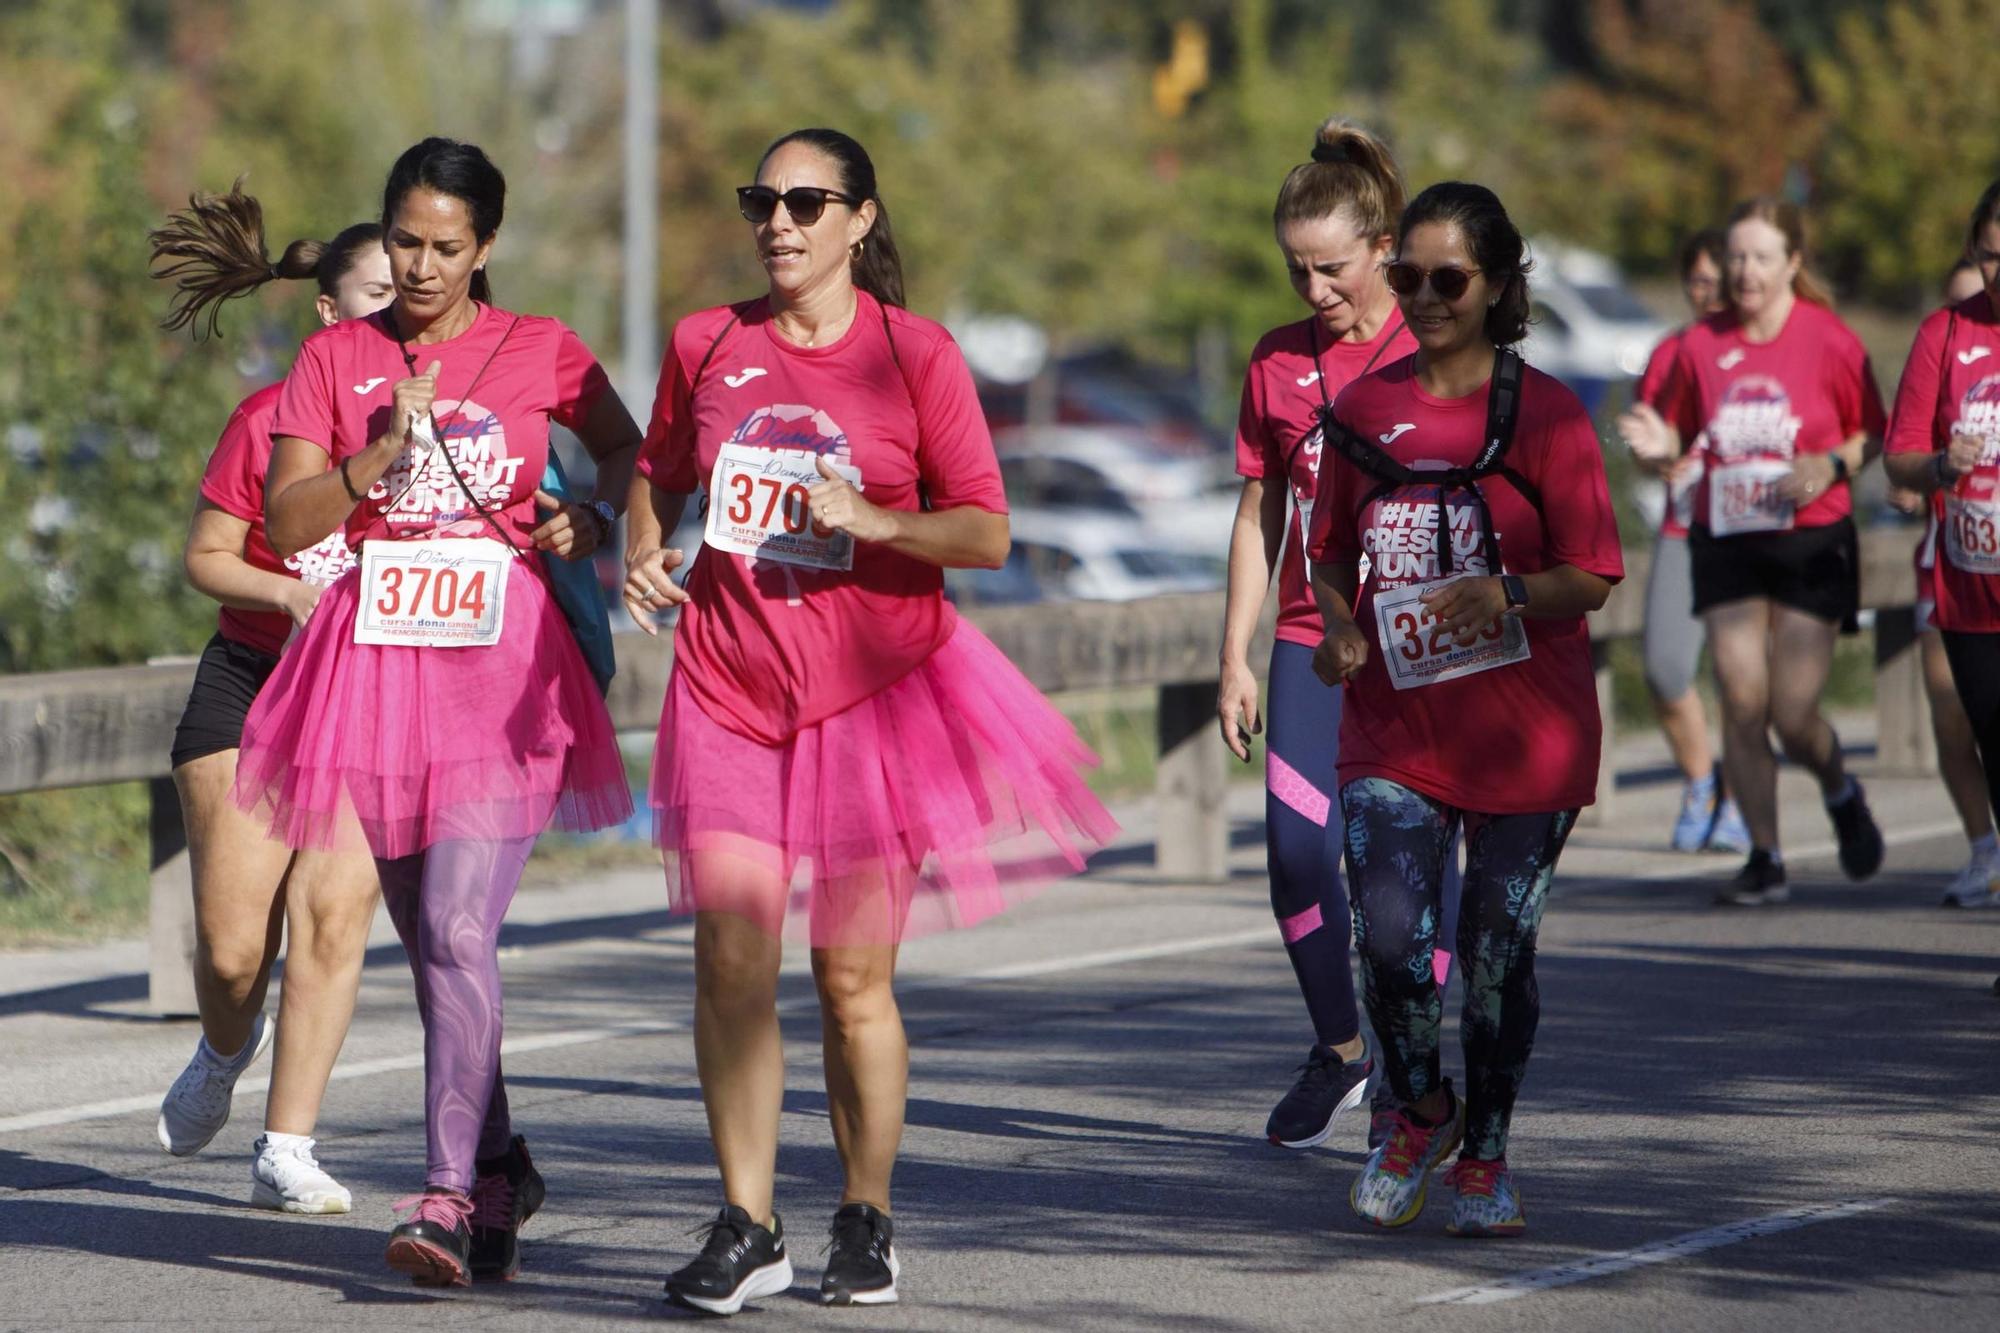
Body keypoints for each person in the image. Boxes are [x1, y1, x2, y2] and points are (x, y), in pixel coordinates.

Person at [624, 127, 1116, 1314]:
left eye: (806, 201)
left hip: (872, 694)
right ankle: (747, 1223)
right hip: (731, 687)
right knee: (729, 959)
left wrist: (877, 520)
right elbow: (656, 470)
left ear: (860, 220)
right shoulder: (707, 342)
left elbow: (985, 532)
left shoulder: (915, 356)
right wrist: (642, 544)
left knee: (851, 980)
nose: (778, 222)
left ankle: (865, 1214)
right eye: (762, 201)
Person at [236, 137, 641, 1285]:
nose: (420, 266)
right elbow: (291, 524)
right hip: (376, 671)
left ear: (486, 248)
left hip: (505, 674)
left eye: (446, 247)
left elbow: (623, 447)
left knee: (461, 930)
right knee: (430, 941)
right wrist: (375, 458)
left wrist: (595, 517)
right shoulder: (335, 356)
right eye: (405, 241)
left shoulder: (539, 349)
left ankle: (450, 1195)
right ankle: (502, 1157)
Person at [1307, 182, 1623, 1237]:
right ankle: (1420, 1110)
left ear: (1495, 287)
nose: (1425, 297)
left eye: (1449, 280)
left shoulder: (1544, 413)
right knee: (1390, 938)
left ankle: (1483, 1151)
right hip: (1392, 731)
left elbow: (1591, 573)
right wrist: (1341, 626)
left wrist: (1503, 594)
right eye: (1408, 277)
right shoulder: (1358, 409)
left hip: (1526, 735)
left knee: (1495, 948)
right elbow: (1329, 557)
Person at [147, 186, 390, 1214]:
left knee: (330, 917)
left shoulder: (436, 438)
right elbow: (205, 558)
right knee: (236, 950)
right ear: (329, 314)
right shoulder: (264, 419)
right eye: (377, 294)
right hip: (251, 679)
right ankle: (221, 1044)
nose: (403, 310)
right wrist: (289, 588)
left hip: (367, 698)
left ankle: (286, 1145)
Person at [1216, 118, 1415, 1152]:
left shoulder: (1437, 348)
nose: (1313, 291)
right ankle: (1340, 1049)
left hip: (1419, 651)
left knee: (1398, 878)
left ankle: (1409, 1074)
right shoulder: (1272, 363)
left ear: (1383, 247)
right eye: (1296, 270)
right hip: (1307, 639)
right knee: (1297, 855)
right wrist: (1232, 657)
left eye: (1330, 268)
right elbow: (1257, 515)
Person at [1620, 197, 1887, 906]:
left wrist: (1829, 465)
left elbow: (1875, 434)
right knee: (1742, 699)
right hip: (1728, 537)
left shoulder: (1829, 340)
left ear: (1793, 263)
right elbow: (1677, 443)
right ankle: (1766, 856)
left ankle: (1839, 786)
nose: (1745, 271)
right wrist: (1656, 451)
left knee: (1792, 715)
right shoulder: (1700, 345)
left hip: (1810, 538)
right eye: (1736, 256)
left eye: (1761, 256)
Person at [1884, 182, 2000, 918]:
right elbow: (1899, 457)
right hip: (1971, 592)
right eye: (1989, 256)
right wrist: (1938, 467)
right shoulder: (1946, 334)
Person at [1624, 229, 1749, 853]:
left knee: (1744, 677)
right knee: (1666, 668)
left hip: (1755, 532)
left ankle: (1744, 798)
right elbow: (1648, 442)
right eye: (1697, 281)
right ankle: (1704, 781)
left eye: (1717, 281)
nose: (1708, 294)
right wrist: (1656, 461)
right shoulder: (1671, 352)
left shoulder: (1765, 348)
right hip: (1685, 525)